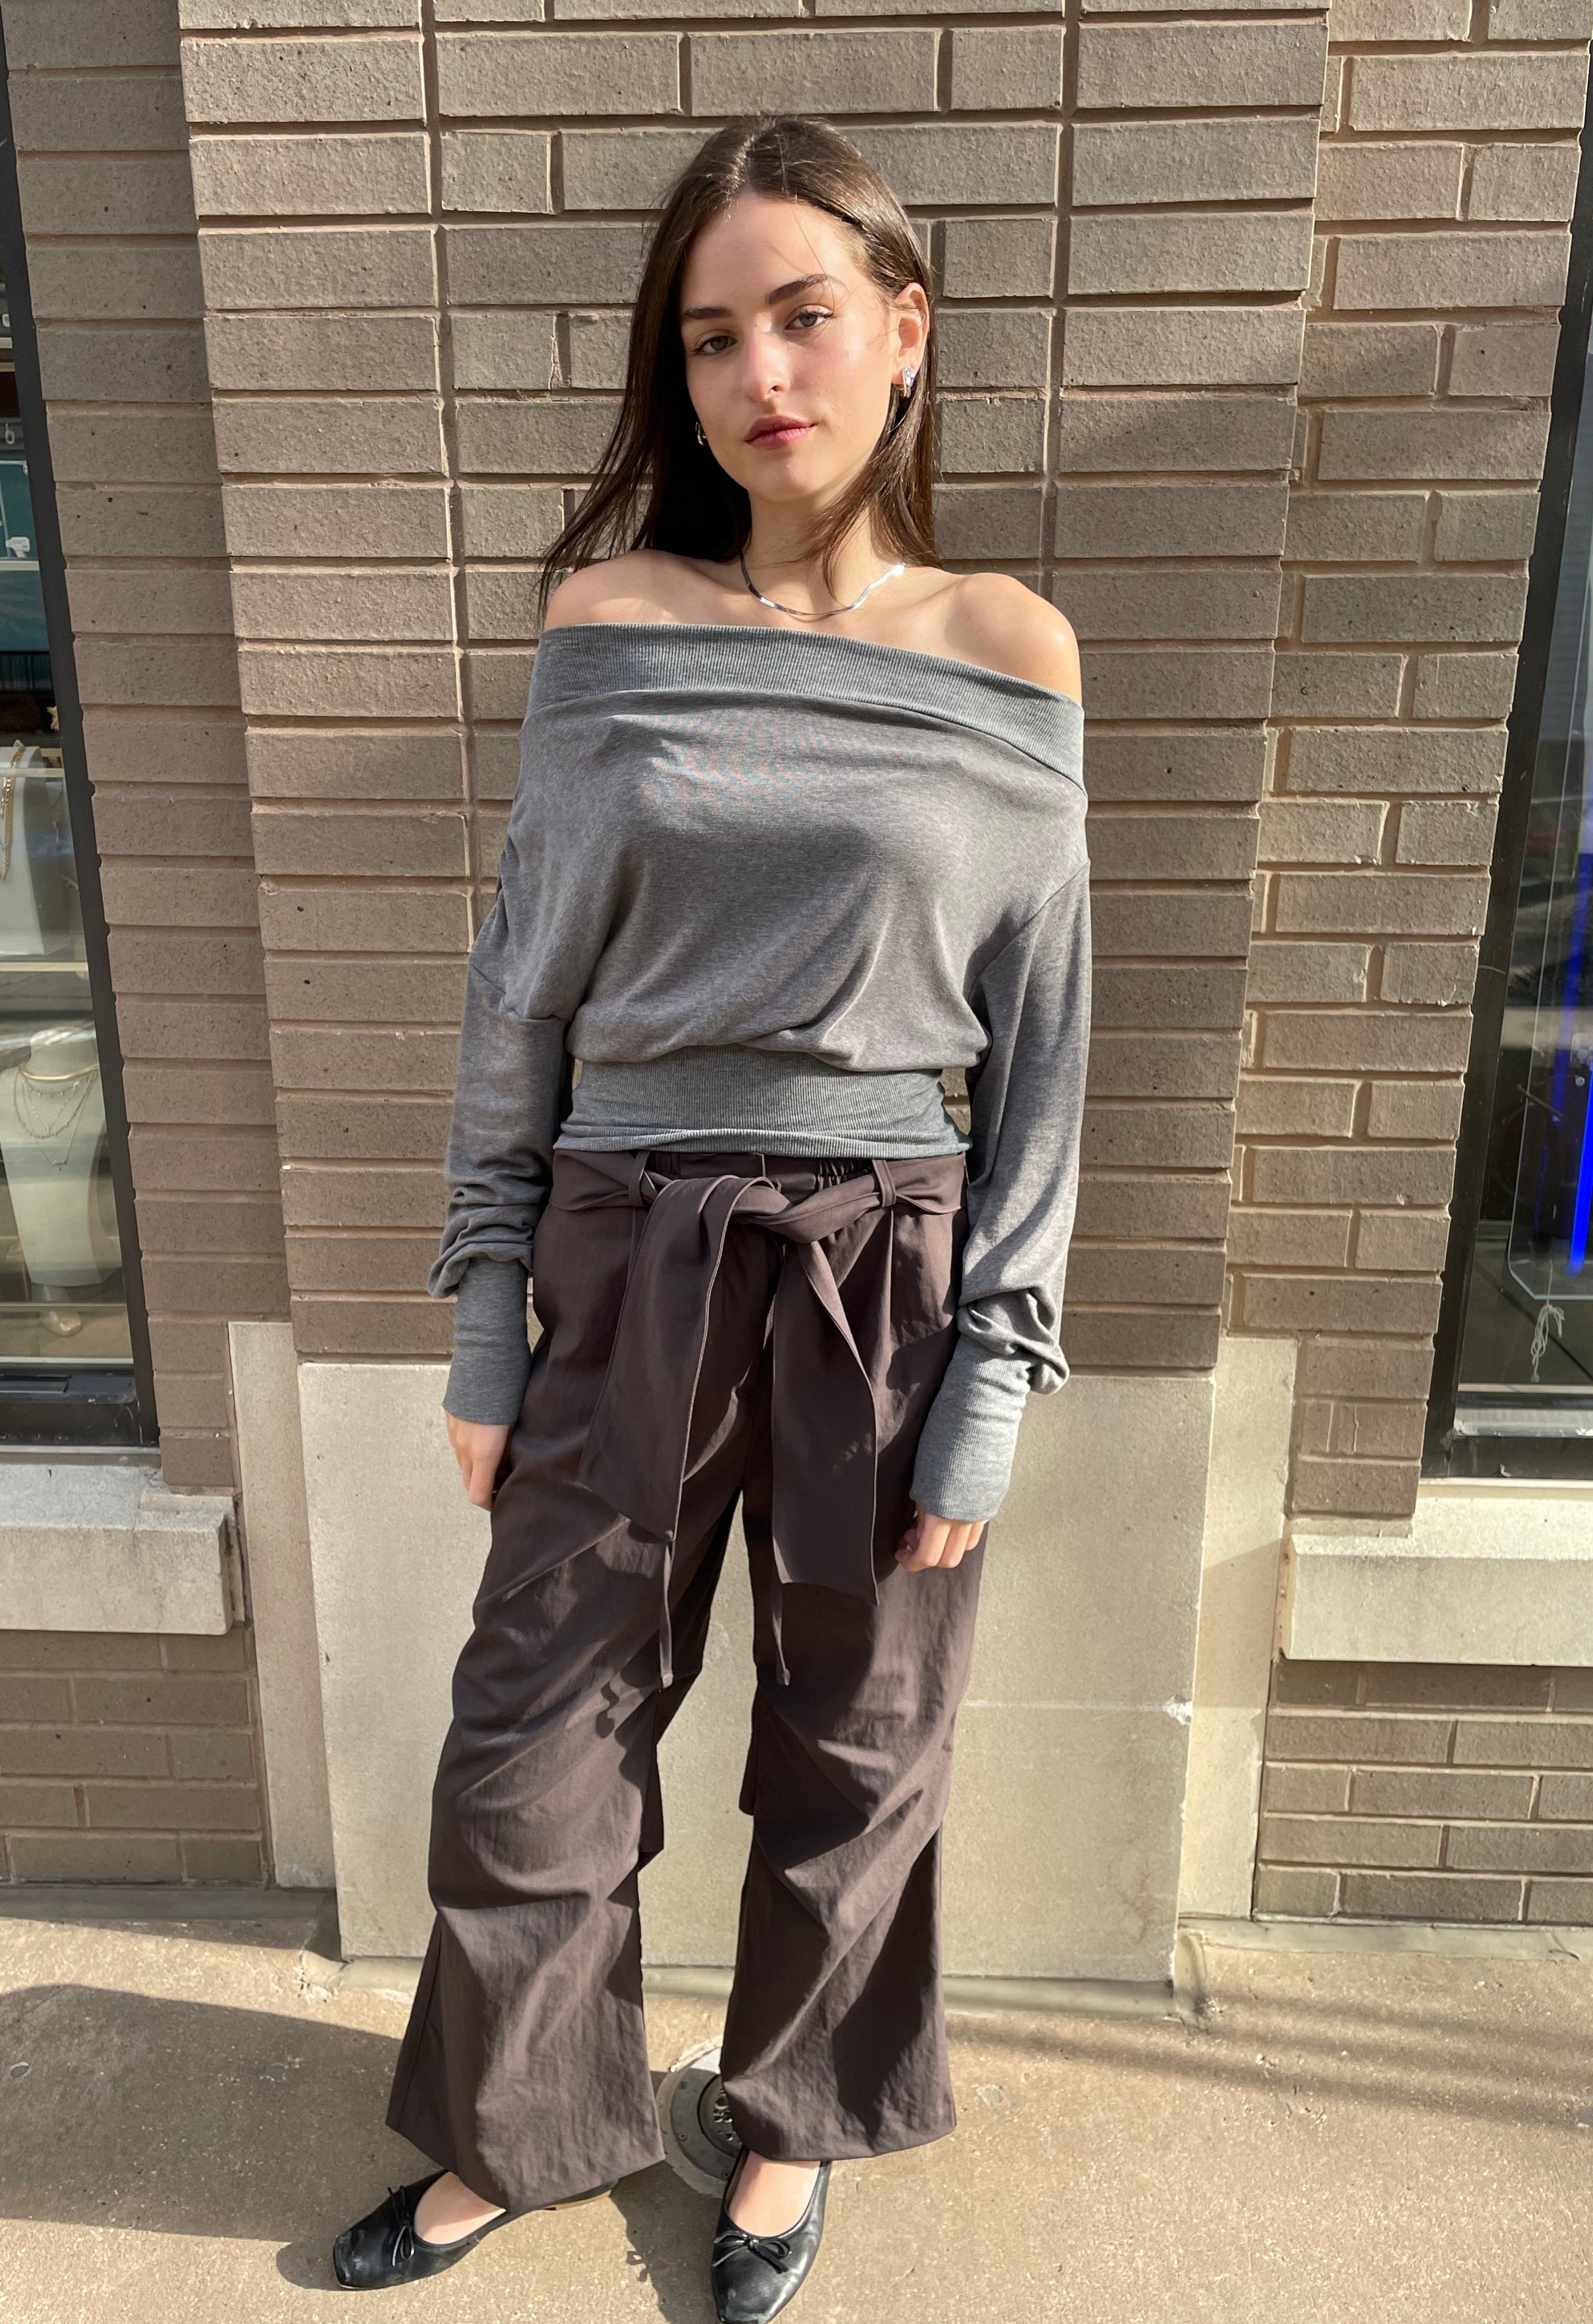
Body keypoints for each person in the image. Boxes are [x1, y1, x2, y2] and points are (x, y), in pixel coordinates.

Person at [331, 109, 1088, 2321]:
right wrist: (487, 1311)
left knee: (860, 1734)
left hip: (891, 1259)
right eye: (709, 336)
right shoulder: (613, 626)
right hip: (628, 1244)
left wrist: (998, 1378)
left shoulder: (1012, 649)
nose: (760, 373)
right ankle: (516, 2125)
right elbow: (520, 997)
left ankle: (783, 2127)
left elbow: (1046, 1044)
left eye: (804, 316)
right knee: (537, 1731)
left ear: (905, 330)